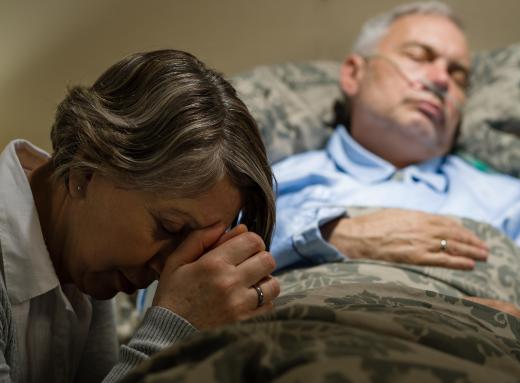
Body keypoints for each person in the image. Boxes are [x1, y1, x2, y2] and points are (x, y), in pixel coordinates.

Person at [0, 49, 280, 381]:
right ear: (84, 171)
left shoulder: (82, 257)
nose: (168, 270)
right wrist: (170, 334)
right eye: (168, 227)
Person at [271, 2, 520, 274]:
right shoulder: (275, 183)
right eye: (418, 56)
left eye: (457, 75)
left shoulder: (508, 203)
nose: (440, 80)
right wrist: (329, 235)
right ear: (354, 73)